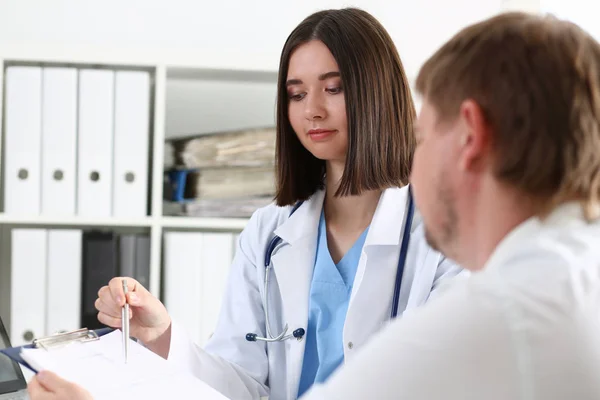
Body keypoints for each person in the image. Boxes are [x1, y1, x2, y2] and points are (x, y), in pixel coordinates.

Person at [27, 7, 462, 400]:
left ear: (377, 94)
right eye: (295, 94)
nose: (312, 110)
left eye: (333, 89)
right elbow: (242, 385)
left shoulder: (444, 234)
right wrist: (162, 335)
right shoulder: (268, 233)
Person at [297, 11, 600, 400]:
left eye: (421, 138)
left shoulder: (500, 314)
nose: (412, 163)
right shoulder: (578, 274)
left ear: (469, 136)